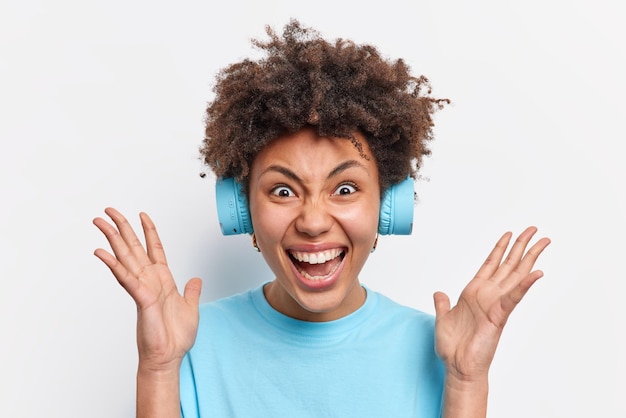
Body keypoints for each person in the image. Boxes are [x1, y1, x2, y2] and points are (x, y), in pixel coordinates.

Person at [93, 20, 550, 418]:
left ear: (387, 208)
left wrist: (467, 382)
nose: (313, 221)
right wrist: (157, 368)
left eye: (345, 189)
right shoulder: (187, 343)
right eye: (283, 190)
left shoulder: (440, 350)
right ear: (241, 210)